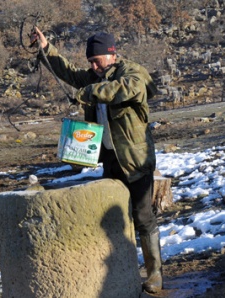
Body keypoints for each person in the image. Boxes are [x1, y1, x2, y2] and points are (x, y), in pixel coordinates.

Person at [31, 27, 163, 294]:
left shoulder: (132, 73)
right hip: (111, 160)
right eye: (90, 61)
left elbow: (127, 89)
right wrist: (47, 49)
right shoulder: (94, 77)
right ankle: (122, 272)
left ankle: (155, 275)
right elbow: (68, 72)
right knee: (113, 218)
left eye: (97, 60)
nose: (93, 65)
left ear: (111, 55)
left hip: (135, 160)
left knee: (143, 217)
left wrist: (88, 92)